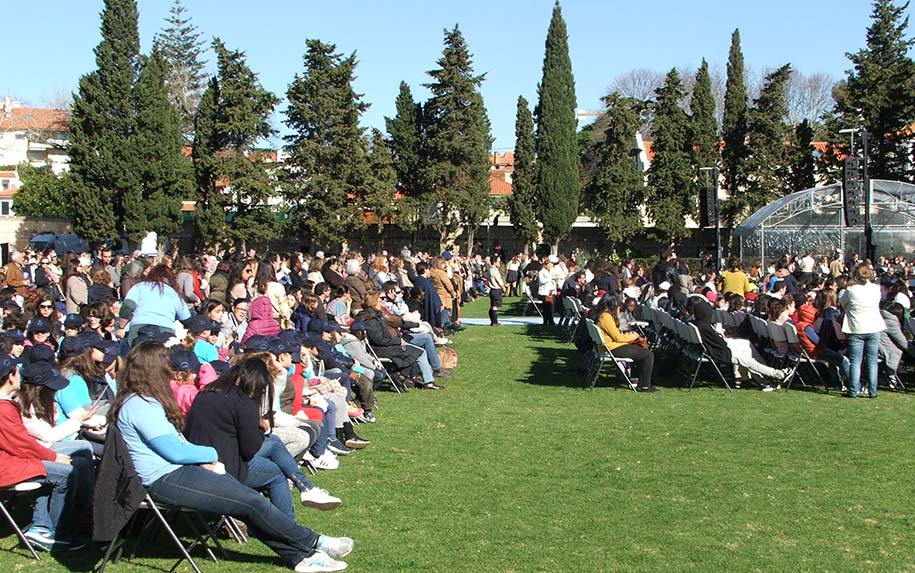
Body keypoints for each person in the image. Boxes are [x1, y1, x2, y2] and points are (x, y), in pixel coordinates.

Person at [111, 341, 354, 572]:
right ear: (153, 369)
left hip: (178, 471)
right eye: (167, 366)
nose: (171, 371)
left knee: (249, 501)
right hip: (164, 479)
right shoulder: (140, 406)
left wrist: (203, 460)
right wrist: (210, 454)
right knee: (252, 502)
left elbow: (177, 443)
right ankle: (314, 543)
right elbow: (173, 451)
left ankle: (302, 556)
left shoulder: (145, 402)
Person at [0, 354, 88, 551]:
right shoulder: (3, 407)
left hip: (12, 459)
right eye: (17, 372)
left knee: (64, 465)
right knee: (66, 473)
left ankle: (42, 526)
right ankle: (57, 533)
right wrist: (54, 457)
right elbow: (20, 444)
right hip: (7, 466)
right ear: (10, 376)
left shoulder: (6, 403)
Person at [839, 262, 886, 398]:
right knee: (872, 361)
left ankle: (853, 390)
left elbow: (843, 303)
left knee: (855, 361)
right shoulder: (876, 289)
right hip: (873, 327)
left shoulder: (851, 290)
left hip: (856, 328)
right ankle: (873, 391)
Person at [592, 296, 657, 392]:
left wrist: (628, 336)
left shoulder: (603, 316)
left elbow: (616, 334)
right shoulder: (606, 317)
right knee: (648, 355)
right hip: (612, 348)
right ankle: (645, 386)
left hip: (609, 346)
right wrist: (633, 337)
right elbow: (618, 338)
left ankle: (637, 380)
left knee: (640, 350)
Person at [117, 264, 191, 344]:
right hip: (165, 331)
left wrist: (121, 327)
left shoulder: (139, 287)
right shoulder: (174, 294)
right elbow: (186, 319)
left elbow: (127, 306)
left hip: (138, 329)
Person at [487, 255, 506, 327]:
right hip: (496, 289)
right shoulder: (494, 270)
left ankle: (493, 321)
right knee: (495, 306)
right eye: (498, 261)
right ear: (494, 262)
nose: (499, 263)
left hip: (492, 289)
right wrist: (503, 286)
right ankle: (495, 322)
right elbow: (498, 280)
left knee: (492, 306)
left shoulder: (489, 269)